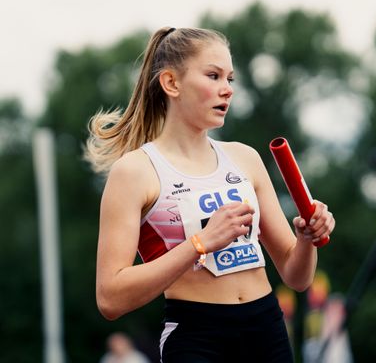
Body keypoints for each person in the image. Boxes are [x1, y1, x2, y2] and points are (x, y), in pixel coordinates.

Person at [84, 27, 335, 362]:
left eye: (230, 79)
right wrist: (201, 243)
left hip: (267, 331)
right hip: (197, 337)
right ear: (171, 83)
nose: (227, 90)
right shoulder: (135, 171)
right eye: (213, 76)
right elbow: (110, 298)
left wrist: (306, 238)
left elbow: (296, 276)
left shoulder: (245, 158)